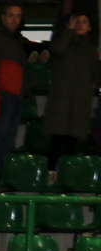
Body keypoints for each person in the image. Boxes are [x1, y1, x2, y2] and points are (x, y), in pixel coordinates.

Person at [43, 12, 101, 171]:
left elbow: (97, 77)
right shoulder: (63, 43)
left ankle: (65, 181)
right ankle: (51, 178)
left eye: (84, 22)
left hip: (79, 106)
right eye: (76, 21)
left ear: (89, 28)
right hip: (60, 105)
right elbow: (56, 49)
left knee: (71, 145)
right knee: (56, 143)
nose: (80, 24)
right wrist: (68, 31)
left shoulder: (91, 50)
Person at [0, 4, 34, 174]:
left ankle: (1, 170)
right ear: (3, 17)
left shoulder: (18, 39)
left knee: (9, 134)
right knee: (0, 131)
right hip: (4, 92)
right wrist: (1, 85)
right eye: (11, 15)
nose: (15, 19)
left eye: (18, 16)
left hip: (17, 92)